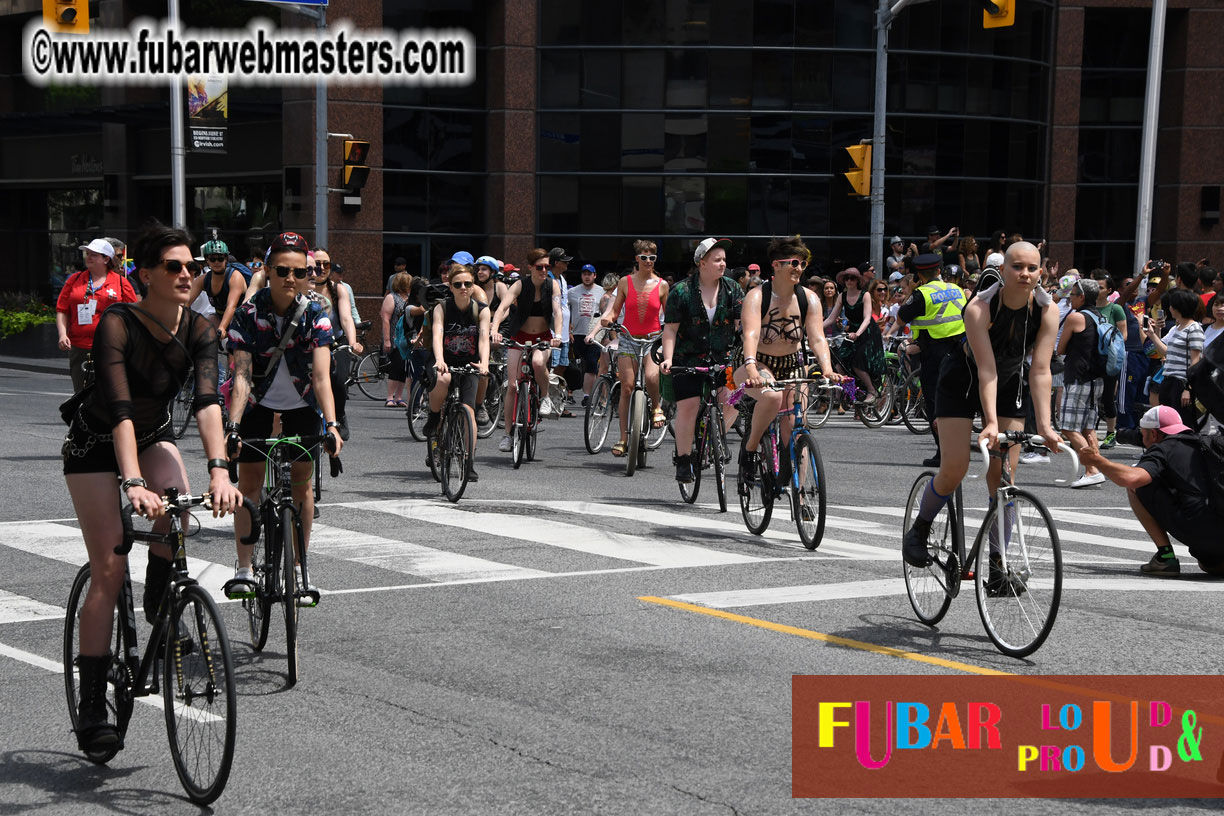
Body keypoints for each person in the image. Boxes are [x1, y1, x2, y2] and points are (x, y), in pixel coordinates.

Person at [63, 222, 241, 755]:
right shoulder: (119, 321)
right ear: (145, 275)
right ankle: (93, 705)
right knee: (109, 566)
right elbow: (118, 408)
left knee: (178, 513)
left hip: (152, 434)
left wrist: (218, 471)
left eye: (191, 266)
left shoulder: (201, 329)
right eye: (174, 267)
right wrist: (133, 483)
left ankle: (161, 605)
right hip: (96, 443)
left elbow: (209, 403)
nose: (187, 274)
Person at [902, 242, 1062, 577]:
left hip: (1007, 384)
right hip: (962, 379)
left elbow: (1041, 370)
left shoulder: (1048, 309)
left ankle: (996, 565)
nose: (1025, 274)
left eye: (1033, 268)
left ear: (1041, 272)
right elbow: (985, 368)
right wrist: (990, 423)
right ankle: (918, 529)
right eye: (1017, 266)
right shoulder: (979, 306)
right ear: (1003, 271)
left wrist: (1046, 426)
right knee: (955, 468)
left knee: (1003, 480)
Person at [224, 232, 342, 597]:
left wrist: (332, 425)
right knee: (250, 485)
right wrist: (233, 426)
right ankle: (244, 567)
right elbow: (241, 377)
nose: (291, 278)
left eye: (300, 272)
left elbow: (321, 376)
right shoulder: (247, 314)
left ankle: (299, 568)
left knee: (302, 487)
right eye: (282, 270)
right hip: (258, 404)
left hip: (303, 404)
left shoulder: (317, 312)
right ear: (268, 270)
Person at [732, 235, 843, 487]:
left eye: (802, 264)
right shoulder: (757, 297)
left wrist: (827, 369)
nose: (799, 268)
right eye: (793, 262)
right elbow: (750, 334)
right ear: (776, 265)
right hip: (755, 361)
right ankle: (749, 452)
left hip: (792, 364)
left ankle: (801, 495)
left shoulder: (809, 299)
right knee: (771, 396)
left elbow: (817, 339)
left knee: (796, 426)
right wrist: (751, 367)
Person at [1079, 406, 1224, 577]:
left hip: (1202, 531)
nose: (1142, 438)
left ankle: (1165, 557)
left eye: (1143, 434)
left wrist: (1098, 461)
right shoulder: (1205, 443)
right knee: (1208, 566)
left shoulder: (1163, 448)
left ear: (1154, 434)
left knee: (1137, 487)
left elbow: (1131, 478)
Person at [659, 238, 744, 482]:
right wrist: (667, 359)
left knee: (732, 401)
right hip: (687, 359)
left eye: (724, 260)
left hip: (723, 358)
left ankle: (712, 439)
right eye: (717, 259)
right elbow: (671, 330)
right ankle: (684, 459)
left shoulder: (732, 289)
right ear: (701, 263)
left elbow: (742, 324)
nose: (723, 264)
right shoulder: (681, 291)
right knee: (688, 406)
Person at [598, 240, 669, 457]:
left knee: (651, 377)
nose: (648, 261)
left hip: (652, 339)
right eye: (644, 257)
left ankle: (656, 407)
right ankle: (623, 438)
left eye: (652, 258)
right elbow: (615, 309)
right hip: (628, 338)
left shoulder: (662, 285)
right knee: (627, 387)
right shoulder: (625, 282)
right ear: (637, 259)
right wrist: (608, 319)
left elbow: (671, 316)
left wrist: (673, 332)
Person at [895, 253, 966, 468]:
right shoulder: (957, 289)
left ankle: (943, 453)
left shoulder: (921, 294)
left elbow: (900, 318)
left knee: (936, 404)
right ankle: (958, 448)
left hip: (934, 354)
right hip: (961, 351)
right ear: (939, 271)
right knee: (958, 402)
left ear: (919, 275)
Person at [490, 248, 564, 453]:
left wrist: (557, 335)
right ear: (530, 267)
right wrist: (494, 329)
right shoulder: (520, 285)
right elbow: (503, 308)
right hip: (519, 337)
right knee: (512, 386)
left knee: (538, 363)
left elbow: (557, 311)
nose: (544, 271)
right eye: (539, 267)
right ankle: (506, 434)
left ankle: (546, 397)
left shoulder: (553, 285)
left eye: (547, 267)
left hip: (543, 338)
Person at [423, 265, 490, 481]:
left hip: (468, 362)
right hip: (443, 359)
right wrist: (440, 360)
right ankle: (434, 417)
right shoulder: (441, 307)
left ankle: (468, 462)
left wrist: (484, 363)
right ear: (450, 287)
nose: (463, 288)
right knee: (443, 378)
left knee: (469, 413)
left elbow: (483, 339)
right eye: (458, 284)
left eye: (467, 284)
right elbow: (437, 334)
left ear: (473, 286)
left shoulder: (481, 310)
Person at [57, 238, 139, 392]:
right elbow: (62, 310)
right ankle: (82, 416)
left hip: (111, 347)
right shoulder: (74, 280)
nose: (88, 257)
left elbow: (133, 314)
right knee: (81, 394)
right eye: (87, 254)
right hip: (80, 347)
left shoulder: (121, 283)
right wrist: (62, 334)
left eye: (94, 254)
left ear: (106, 259)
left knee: (108, 392)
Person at [1056, 279, 1106, 488]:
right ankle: (1097, 469)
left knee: (1068, 428)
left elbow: (1060, 348)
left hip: (1078, 378)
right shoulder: (1100, 316)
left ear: (1082, 297)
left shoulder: (1076, 317)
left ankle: (1092, 470)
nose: (1070, 298)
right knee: (1087, 428)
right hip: (1097, 379)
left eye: (1073, 295)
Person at [308, 248, 361, 440]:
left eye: (326, 264)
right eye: (317, 264)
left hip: (336, 341)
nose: (321, 268)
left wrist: (353, 342)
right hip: (310, 342)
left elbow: (346, 318)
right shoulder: (304, 287)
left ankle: (339, 416)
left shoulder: (338, 289)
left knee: (339, 379)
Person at [1145, 288, 1204, 430]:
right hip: (1168, 380)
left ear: (1178, 307)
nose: (1169, 308)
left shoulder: (1194, 328)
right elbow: (1163, 351)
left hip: (1181, 382)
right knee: (1167, 424)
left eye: (1172, 305)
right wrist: (1155, 333)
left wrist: (1188, 389)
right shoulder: (1177, 328)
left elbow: (1195, 362)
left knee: (1182, 422)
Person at [825, 267, 885, 403]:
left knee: (858, 363)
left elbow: (867, 318)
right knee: (839, 363)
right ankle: (849, 389)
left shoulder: (865, 295)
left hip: (868, 332)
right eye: (846, 278)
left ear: (858, 280)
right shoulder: (842, 296)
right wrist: (813, 330)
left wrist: (857, 333)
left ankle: (871, 390)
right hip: (853, 331)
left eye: (852, 278)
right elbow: (830, 318)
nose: (849, 281)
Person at [1090, 270, 1128, 448]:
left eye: (1101, 287)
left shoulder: (1116, 309)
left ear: (1109, 290)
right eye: (1094, 286)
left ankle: (1110, 433)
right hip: (1090, 357)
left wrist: (1106, 338)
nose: (1097, 290)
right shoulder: (1088, 307)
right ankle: (1087, 432)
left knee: (1107, 397)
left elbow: (1124, 335)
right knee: (1089, 395)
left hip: (1109, 358)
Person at [188, 238, 247, 340]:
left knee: (233, 348)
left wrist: (222, 328)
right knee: (200, 333)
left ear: (226, 259)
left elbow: (231, 306)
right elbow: (186, 302)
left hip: (242, 319)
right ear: (207, 260)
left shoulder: (235, 277)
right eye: (212, 259)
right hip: (219, 316)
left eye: (220, 259)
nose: (216, 262)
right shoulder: (203, 279)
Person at [568, 263, 604, 405]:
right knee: (576, 365)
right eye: (584, 274)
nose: (587, 277)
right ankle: (570, 391)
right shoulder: (572, 292)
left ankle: (587, 396)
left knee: (591, 363)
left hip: (595, 333)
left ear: (595, 276)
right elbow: (564, 310)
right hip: (577, 333)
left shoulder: (601, 292)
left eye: (590, 274)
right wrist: (568, 330)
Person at [380, 271, 417, 407]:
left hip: (407, 339)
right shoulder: (392, 297)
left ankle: (399, 397)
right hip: (396, 337)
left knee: (404, 368)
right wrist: (387, 340)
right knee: (396, 367)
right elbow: (385, 319)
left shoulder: (410, 298)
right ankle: (390, 396)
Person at [549, 248, 574, 413]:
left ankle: (557, 401)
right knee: (550, 365)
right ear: (556, 262)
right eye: (564, 261)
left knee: (562, 366)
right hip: (551, 330)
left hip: (564, 331)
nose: (567, 263)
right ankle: (546, 400)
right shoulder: (548, 279)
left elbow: (564, 306)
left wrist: (569, 328)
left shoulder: (563, 280)